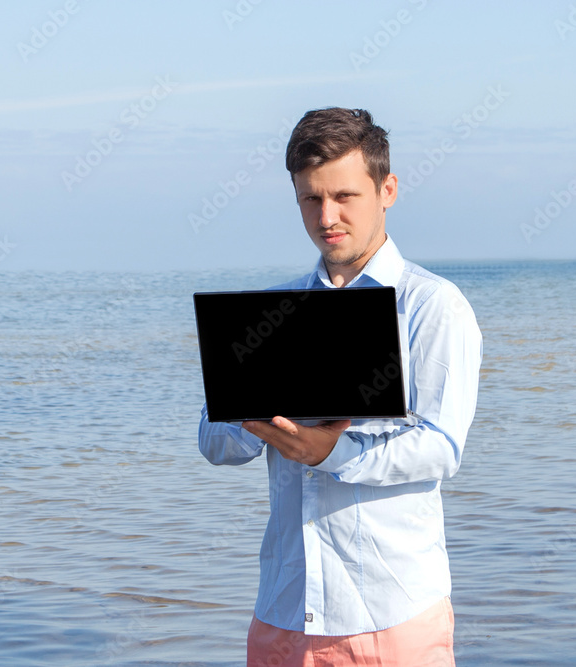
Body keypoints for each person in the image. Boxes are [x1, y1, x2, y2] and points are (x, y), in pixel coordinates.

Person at [197, 108, 482, 667]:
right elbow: (213, 443)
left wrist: (328, 452)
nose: (327, 216)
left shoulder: (431, 305)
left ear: (387, 190)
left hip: (390, 615)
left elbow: (440, 448)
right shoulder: (271, 312)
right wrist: (255, 424)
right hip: (284, 610)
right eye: (310, 198)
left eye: (345, 196)